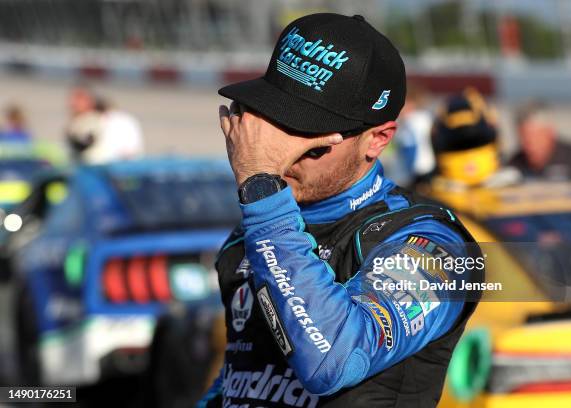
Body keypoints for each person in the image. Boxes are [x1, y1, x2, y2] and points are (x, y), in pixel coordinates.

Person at [198, 14, 484, 408]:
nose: (282, 150)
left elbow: (333, 361)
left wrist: (264, 194)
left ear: (377, 139)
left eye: (309, 135)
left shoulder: (437, 245)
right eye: (274, 119)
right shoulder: (251, 236)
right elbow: (240, 378)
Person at [429, 88, 521, 190]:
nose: (468, 152)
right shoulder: (430, 187)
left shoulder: (514, 177)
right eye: (457, 145)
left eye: (476, 143)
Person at [509, 100, 571, 181]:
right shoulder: (514, 164)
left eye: (536, 137)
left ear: (550, 132)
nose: (530, 145)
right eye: (524, 138)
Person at [65, 86, 144, 164]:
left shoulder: (106, 120)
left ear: (90, 101)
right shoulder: (87, 121)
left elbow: (95, 156)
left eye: (78, 100)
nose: (72, 104)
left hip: (113, 168)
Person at [393, 83, 436, 184]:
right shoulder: (402, 123)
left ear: (412, 103)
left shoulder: (421, 119)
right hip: (410, 173)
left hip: (424, 170)